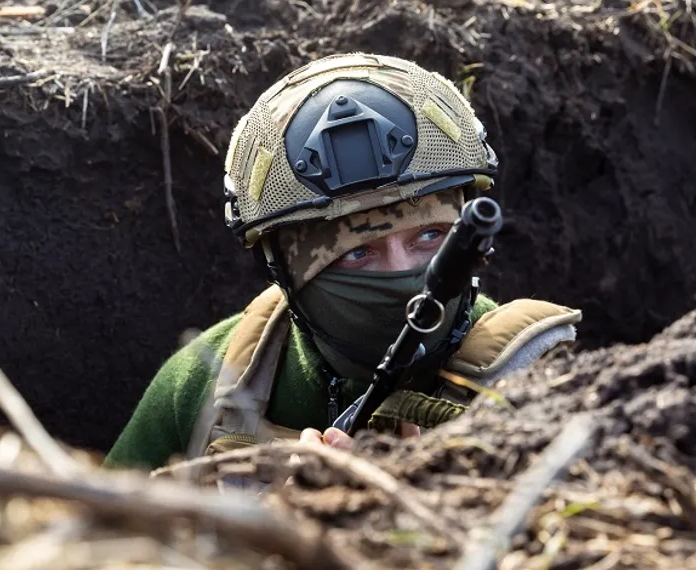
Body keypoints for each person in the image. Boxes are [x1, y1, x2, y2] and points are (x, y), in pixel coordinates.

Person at [102, 53, 582, 471]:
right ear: (285, 270)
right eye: (358, 253)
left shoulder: (529, 376)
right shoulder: (206, 383)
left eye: (430, 236)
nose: (403, 275)